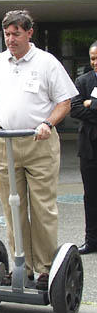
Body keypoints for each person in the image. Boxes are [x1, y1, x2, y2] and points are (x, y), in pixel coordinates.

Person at [0, 10, 78, 290]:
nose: (11, 39)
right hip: (4, 142)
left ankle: (44, 269)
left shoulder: (46, 63)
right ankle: (22, 266)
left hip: (39, 141)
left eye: (16, 33)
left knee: (42, 208)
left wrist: (47, 123)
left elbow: (64, 102)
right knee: (12, 207)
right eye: (7, 34)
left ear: (30, 33)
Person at [70, 40, 97, 255]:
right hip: (89, 149)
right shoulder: (82, 81)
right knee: (91, 196)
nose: (95, 62)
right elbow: (75, 110)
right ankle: (92, 240)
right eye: (92, 58)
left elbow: (86, 108)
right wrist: (87, 105)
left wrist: (92, 104)